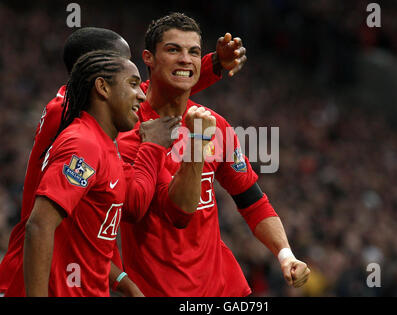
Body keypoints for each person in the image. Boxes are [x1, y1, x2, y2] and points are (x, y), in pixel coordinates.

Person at [0, 26, 246, 296]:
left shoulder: (95, 131)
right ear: (101, 79)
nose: (141, 90)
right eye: (130, 78)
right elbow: (41, 224)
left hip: (72, 271)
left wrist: (212, 65)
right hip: (37, 273)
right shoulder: (69, 117)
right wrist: (152, 146)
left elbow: (153, 94)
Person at [117, 12, 311, 296]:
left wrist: (285, 255)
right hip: (160, 291)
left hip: (226, 291)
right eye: (173, 50)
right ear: (148, 58)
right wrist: (196, 141)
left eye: (194, 52)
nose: (185, 59)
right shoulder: (127, 129)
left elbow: (252, 201)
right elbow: (179, 213)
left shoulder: (215, 124)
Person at [16, 50, 180, 296]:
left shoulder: (105, 146)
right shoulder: (84, 144)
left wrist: (127, 284)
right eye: (133, 84)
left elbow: (86, 240)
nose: (141, 96)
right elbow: (39, 225)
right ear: (102, 87)